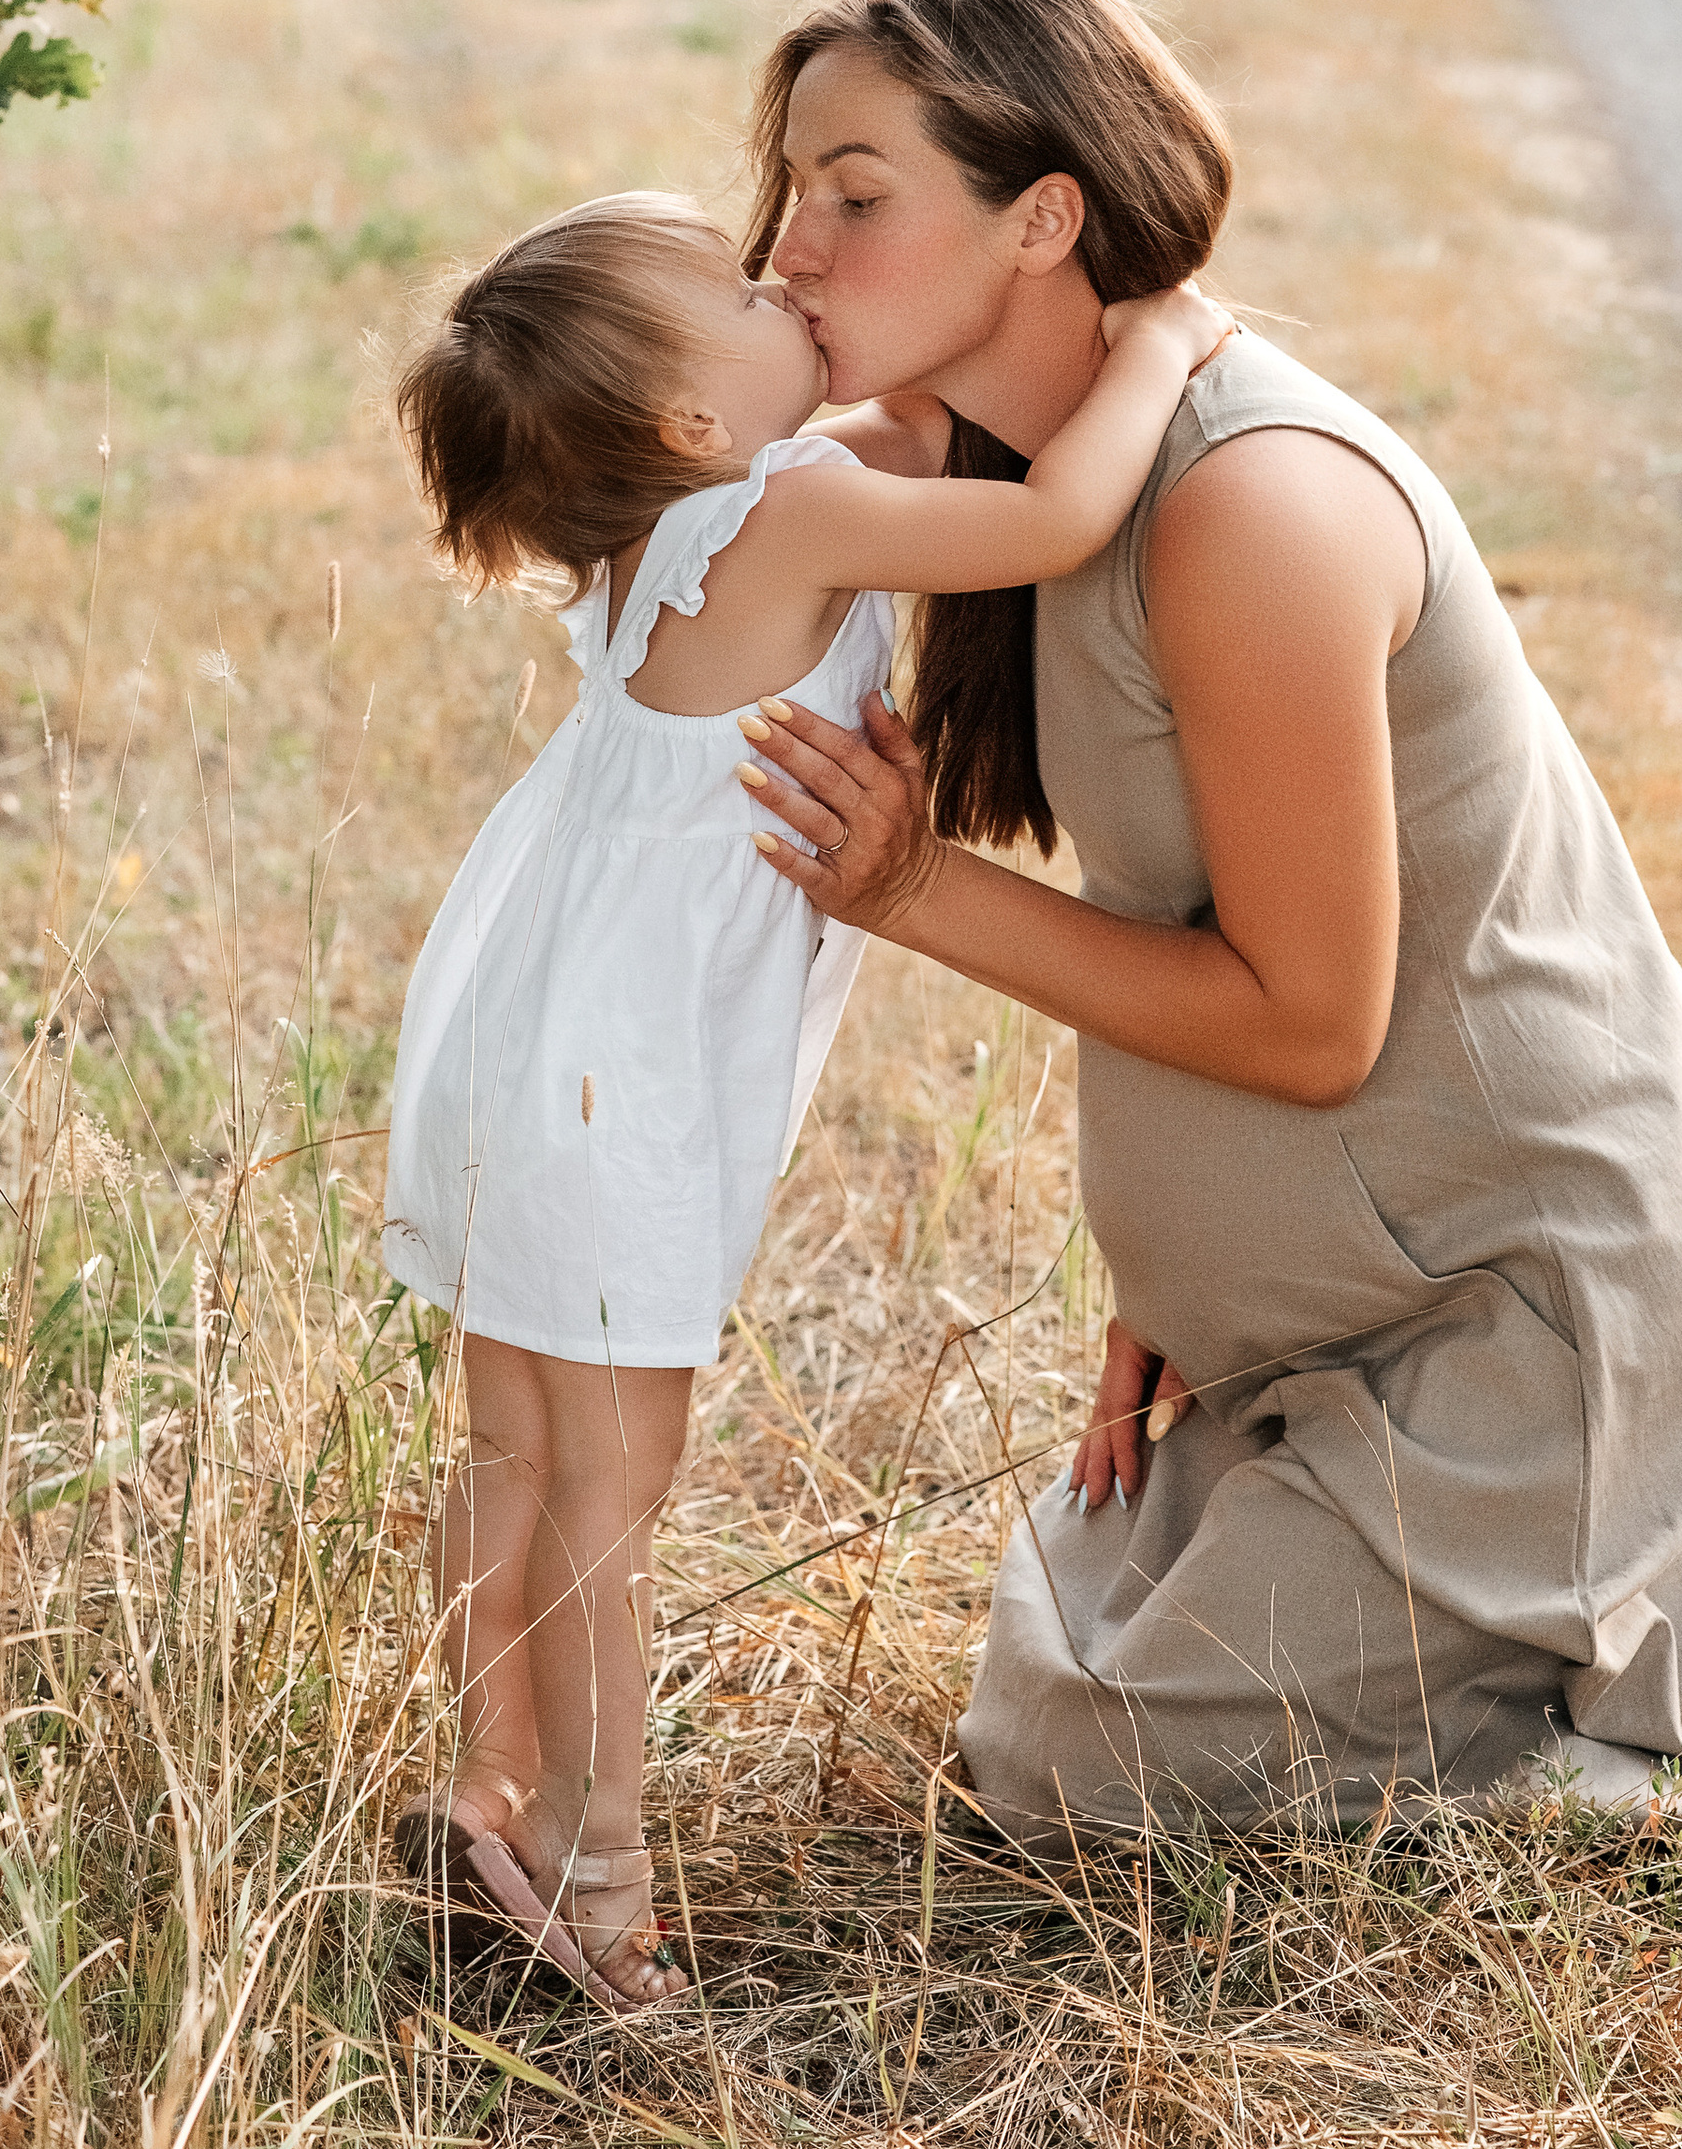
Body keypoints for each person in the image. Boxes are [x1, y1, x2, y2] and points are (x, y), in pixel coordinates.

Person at [734, 0, 1682, 1874]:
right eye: (793, 185)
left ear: (1045, 215)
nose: (791, 242)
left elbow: (1311, 1021)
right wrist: (1181, 1282)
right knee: (1076, 1632)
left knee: (1084, 1757)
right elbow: (1207, 905)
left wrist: (907, 886)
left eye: (855, 193)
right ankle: (1527, 1639)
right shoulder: (1040, 479)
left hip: (1540, 1333)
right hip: (1363, 1320)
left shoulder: (1250, 504)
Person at [379, 187, 1231, 2009]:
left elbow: (900, 417)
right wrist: (1163, 337)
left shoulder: (657, 528)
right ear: (692, 421)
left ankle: (486, 1777)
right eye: (743, 287)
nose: (785, 277)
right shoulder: (787, 501)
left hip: (522, 1039)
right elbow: (1056, 513)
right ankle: (600, 1881)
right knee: (620, 1481)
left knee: (514, 1448)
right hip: (620, 1076)